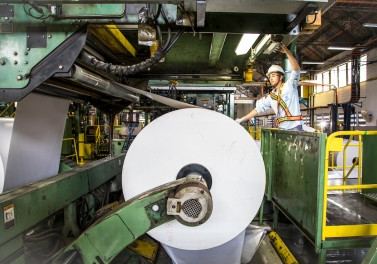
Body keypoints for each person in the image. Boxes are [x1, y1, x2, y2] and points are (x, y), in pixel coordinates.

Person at [236, 43, 303, 131]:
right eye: (270, 76)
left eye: (274, 75)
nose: (271, 78)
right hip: (282, 129)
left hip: (295, 127)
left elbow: (297, 70)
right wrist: (242, 119)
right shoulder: (271, 97)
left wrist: (287, 52)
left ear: (281, 77)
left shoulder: (290, 86)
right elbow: (258, 110)